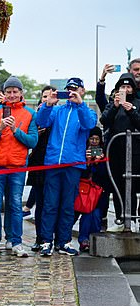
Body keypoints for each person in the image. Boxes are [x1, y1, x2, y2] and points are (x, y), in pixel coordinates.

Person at [36, 77, 98, 256]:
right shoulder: (58, 110)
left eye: (75, 89)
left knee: (67, 205)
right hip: (53, 163)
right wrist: (48, 104)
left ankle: (63, 242)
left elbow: (89, 124)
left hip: (73, 164)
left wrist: (80, 105)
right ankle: (46, 241)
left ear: (82, 91)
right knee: (50, 203)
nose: (71, 92)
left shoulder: (86, 111)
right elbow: (42, 121)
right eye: (68, 89)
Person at [0, 76, 38, 259]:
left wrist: (15, 130)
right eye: (9, 91)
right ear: (4, 93)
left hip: (17, 166)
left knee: (15, 204)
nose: (12, 95)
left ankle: (16, 241)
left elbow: (33, 141)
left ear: (21, 93)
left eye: (15, 91)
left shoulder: (30, 113)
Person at [100, 73, 140, 224]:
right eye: (122, 87)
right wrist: (115, 107)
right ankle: (120, 218)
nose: (125, 89)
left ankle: (133, 219)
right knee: (117, 185)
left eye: (128, 86)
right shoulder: (112, 104)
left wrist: (132, 111)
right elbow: (104, 120)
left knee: (132, 186)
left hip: (134, 152)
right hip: (115, 150)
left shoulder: (138, 102)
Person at [26, 86, 55, 251]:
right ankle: (40, 238)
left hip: (54, 163)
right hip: (38, 163)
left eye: (50, 95)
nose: (47, 98)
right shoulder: (36, 115)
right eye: (45, 96)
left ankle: (51, 238)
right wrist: (36, 131)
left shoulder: (58, 114)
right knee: (41, 204)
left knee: (52, 204)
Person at [77, 127, 107, 252]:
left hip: (99, 191)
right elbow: (81, 172)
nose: (94, 141)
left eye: (97, 139)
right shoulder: (82, 152)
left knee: (96, 215)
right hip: (85, 190)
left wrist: (99, 162)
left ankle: (94, 238)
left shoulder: (105, 153)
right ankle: (84, 239)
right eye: (92, 139)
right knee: (87, 214)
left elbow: (105, 174)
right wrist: (88, 162)